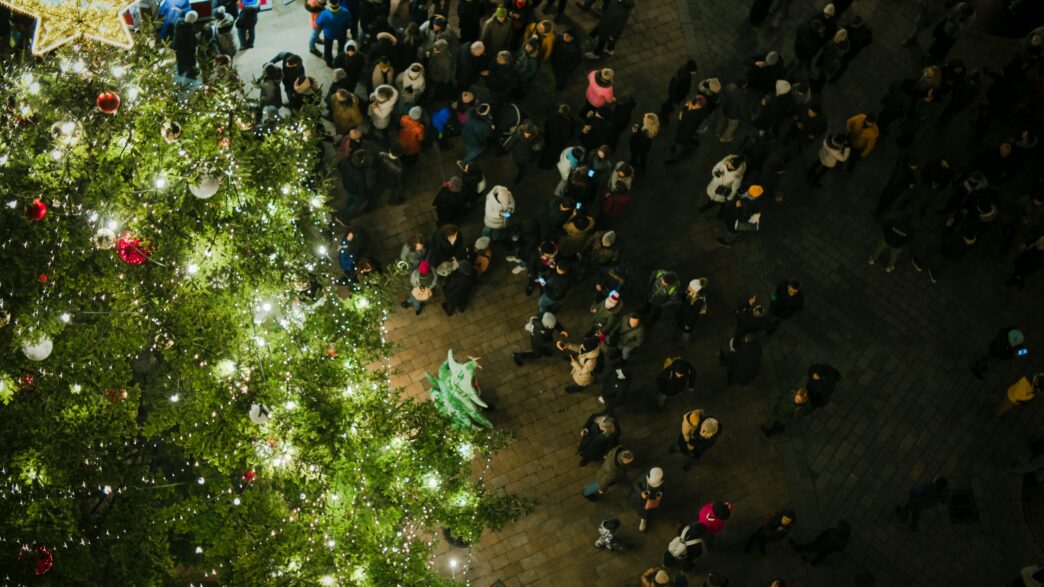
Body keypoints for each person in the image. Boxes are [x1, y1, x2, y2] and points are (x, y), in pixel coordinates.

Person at [665, 95, 709, 165]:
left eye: (695, 102)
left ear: (700, 106)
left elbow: (685, 118)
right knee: (678, 142)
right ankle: (676, 147)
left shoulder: (696, 114)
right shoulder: (693, 107)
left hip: (685, 133)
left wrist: (689, 108)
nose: (692, 102)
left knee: (680, 145)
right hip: (682, 129)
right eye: (694, 100)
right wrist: (688, 107)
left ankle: (676, 158)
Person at [316, 0, 352, 67]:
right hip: (341, 33)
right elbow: (349, 24)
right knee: (341, 47)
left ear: (329, 2)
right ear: (338, 1)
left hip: (329, 34)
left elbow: (319, 24)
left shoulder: (324, 13)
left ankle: (329, 61)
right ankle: (340, 60)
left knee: (328, 48)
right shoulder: (345, 11)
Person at [630, 466, 664, 532]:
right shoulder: (644, 476)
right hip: (639, 497)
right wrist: (641, 492)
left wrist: (659, 496)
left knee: (647, 511)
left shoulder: (664, 482)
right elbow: (635, 483)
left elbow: (664, 490)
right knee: (636, 505)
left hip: (651, 501)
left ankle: (644, 519)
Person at [676, 278, 709, 343]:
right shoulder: (691, 291)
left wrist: (688, 325)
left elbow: (694, 314)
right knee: (680, 325)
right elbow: (685, 297)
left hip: (688, 319)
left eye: (690, 287)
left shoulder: (699, 301)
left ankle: (683, 341)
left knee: (685, 331)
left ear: (695, 289)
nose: (688, 287)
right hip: (684, 313)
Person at [172, 11, 198, 78]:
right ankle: (191, 74)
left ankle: (181, 72)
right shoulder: (190, 29)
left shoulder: (178, 22)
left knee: (180, 61)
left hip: (177, 47)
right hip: (187, 50)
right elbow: (192, 42)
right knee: (191, 62)